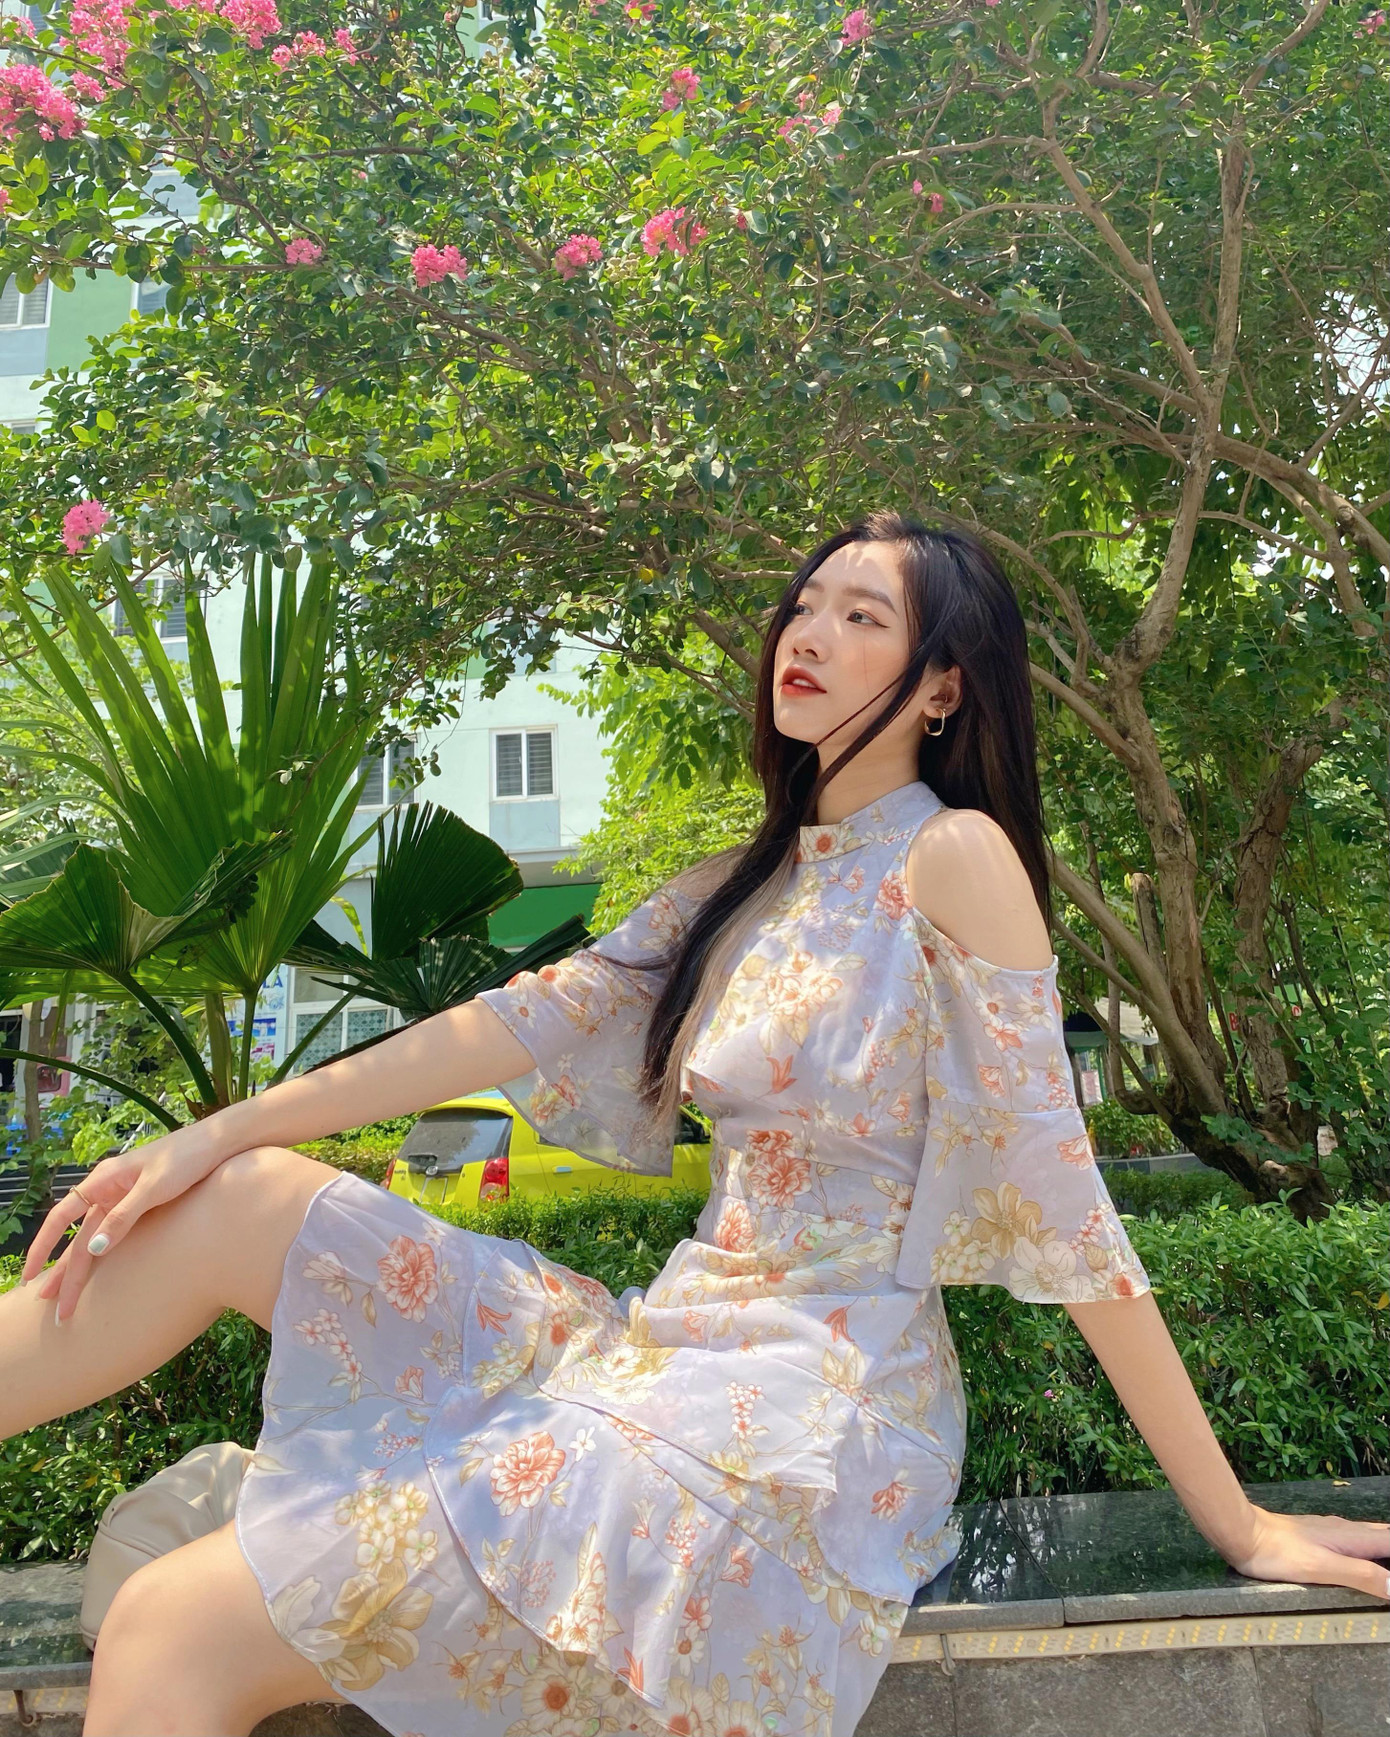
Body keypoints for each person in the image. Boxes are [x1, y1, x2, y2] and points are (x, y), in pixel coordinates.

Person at [3, 511, 1386, 1737]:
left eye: (865, 616)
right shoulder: (737, 884)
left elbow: (1064, 1203)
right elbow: (507, 1023)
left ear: (943, 685)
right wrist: (214, 1130)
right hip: (660, 1344)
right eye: (806, 605)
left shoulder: (951, 859)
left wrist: (1236, 1519)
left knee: (171, 1625)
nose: (810, 634)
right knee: (236, 1196)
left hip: (808, 1414)